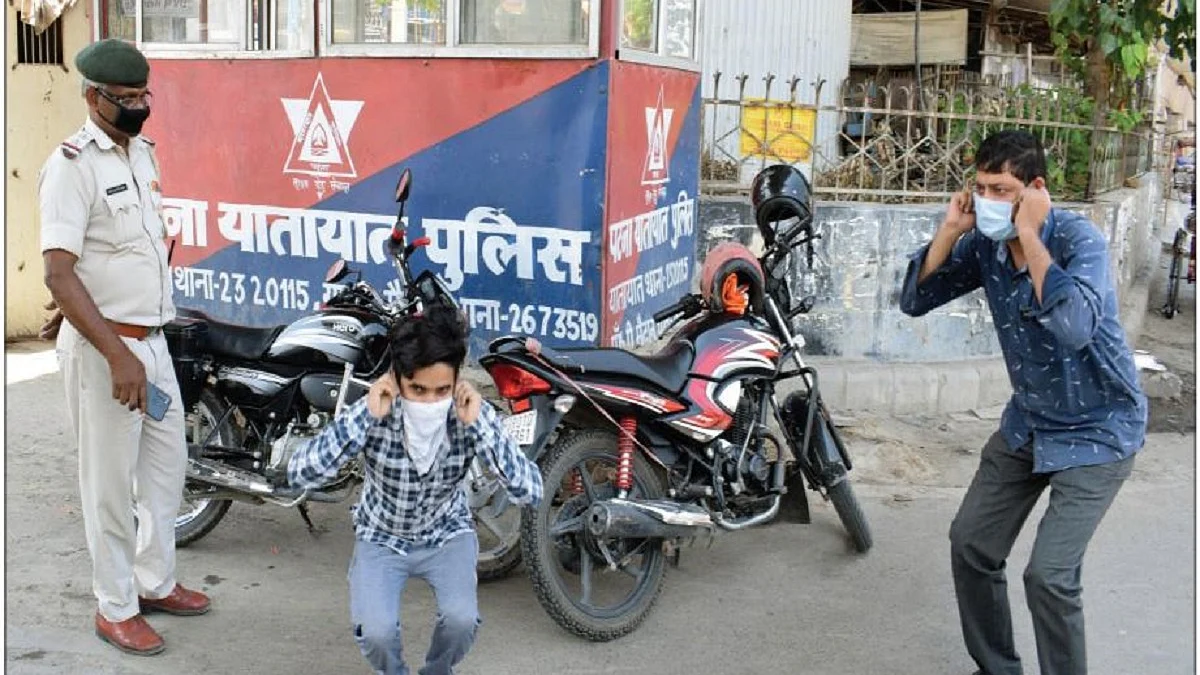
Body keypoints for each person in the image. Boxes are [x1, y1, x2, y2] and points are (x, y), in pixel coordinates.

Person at [899, 129, 1146, 675]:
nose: (990, 200)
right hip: (1030, 422)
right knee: (970, 544)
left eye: (1003, 189)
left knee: (1050, 577)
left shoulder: (1080, 242)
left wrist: (1030, 235)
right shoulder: (985, 244)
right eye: (981, 187)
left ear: (1036, 189)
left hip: (1099, 429)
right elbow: (915, 300)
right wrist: (950, 229)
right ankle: (997, 668)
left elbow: (1076, 326)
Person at [40, 39, 210, 656]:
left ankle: (155, 580)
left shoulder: (142, 155)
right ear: (94, 97)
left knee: (167, 473)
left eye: (144, 96)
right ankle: (115, 607)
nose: (140, 107)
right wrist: (115, 354)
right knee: (109, 488)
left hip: (152, 341)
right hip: (107, 353)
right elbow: (59, 272)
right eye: (127, 98)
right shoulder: (71, 166)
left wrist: (141, 347)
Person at [285, 306, 543, 675]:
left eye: (441, 390)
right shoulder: (373, 410)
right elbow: (299, 474)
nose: (428, 402)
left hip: (446, 533)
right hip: (381, 536)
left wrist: (482, 428)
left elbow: (530, 491)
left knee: (461, 621)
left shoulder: (470, 413)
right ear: (397, 379)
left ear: (457, 381)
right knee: (376, 633)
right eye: (418, 390)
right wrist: (363, 419)